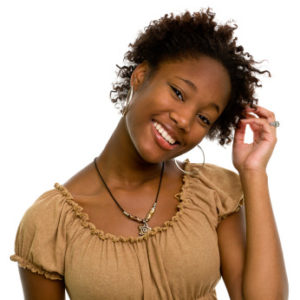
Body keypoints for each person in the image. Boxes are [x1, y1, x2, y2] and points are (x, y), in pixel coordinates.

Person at [10, 8, 288, 300]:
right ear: (140, 76)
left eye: (204, 118)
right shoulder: (50, 224)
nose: (184, 120)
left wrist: (254, 172)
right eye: (179, 93)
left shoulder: (214, 195)